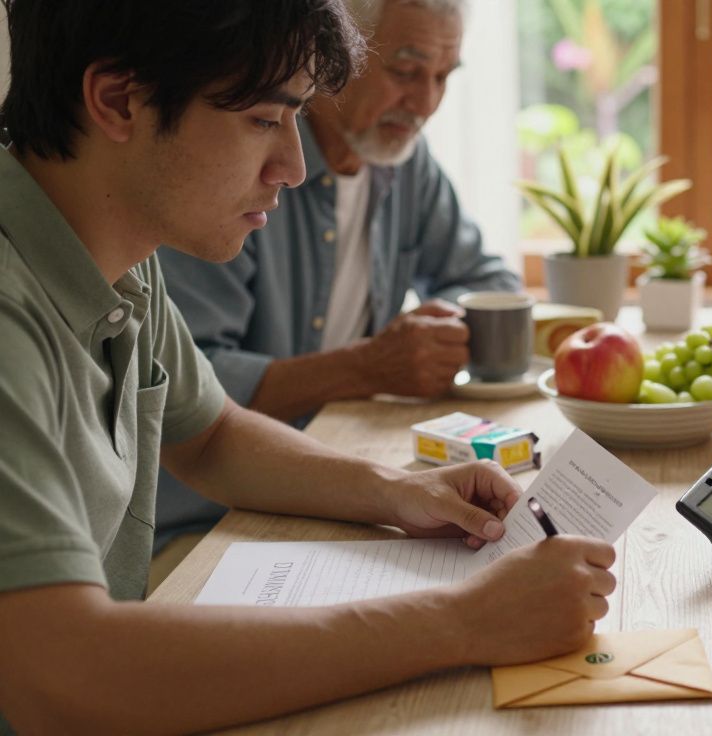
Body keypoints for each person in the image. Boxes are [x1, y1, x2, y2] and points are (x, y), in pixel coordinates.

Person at [0, 1, 613, 732]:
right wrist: (465, 620)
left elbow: (212, 436)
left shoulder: (116, 257)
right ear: (116, 100)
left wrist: (396, 489)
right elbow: (63, 676)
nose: (293, 166)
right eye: (264, 119)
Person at [153, 0, 520, 561]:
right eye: (405, 71)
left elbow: (488, 280)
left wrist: (428, 333)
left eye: (443, 77)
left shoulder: (402, 162)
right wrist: (368, 365)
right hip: (211, 521)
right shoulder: (229, 185)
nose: (425, 103)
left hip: (331, 481)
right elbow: (190, 390)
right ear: (335, 58)